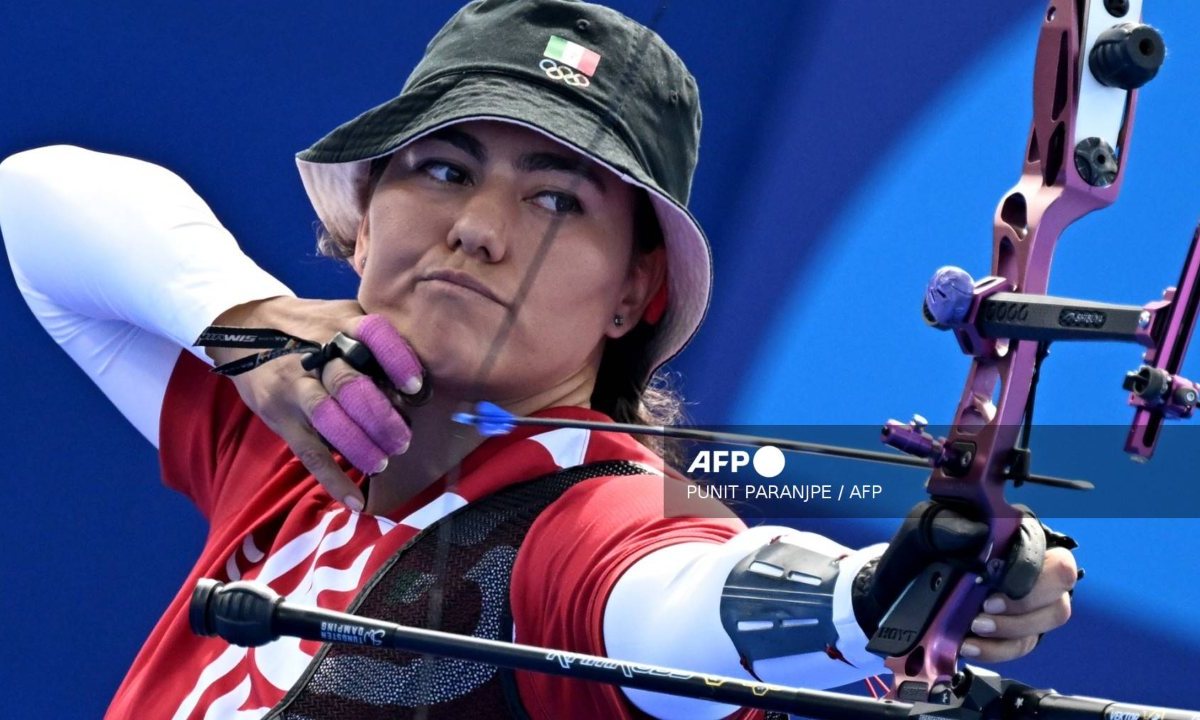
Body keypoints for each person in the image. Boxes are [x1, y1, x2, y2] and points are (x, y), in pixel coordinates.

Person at [0, 1, 1077, 718]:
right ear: (363, 222)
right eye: (443, 166)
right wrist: (246, 322)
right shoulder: (289, 427)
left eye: (556, 199)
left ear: (633, 296)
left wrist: (874, 594)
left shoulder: (581, 517)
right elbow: (37, 197)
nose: (479, 228)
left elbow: (674, 595)